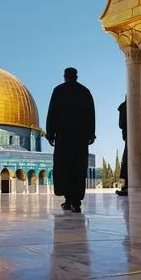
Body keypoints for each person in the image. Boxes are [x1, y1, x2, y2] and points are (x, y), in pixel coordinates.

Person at [46, 67, 95, 213]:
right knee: (77, 168)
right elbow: (91, 115)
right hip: (79, 138)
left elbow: (52, 113)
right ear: (76, 77)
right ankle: (76, 201)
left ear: (65, 77)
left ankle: (68, 200)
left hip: (64, 137)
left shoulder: (58, 91)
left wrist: (50, 133)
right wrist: (91, 134)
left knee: (64, 168)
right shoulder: (84, 92)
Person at [116, 98, 128, 196]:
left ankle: (127, 186)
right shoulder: (124, 106)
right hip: (130, 136)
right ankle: (127, 185)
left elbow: (121, 124)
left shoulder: (123, 106)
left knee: (127, 160)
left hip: (129, 136)